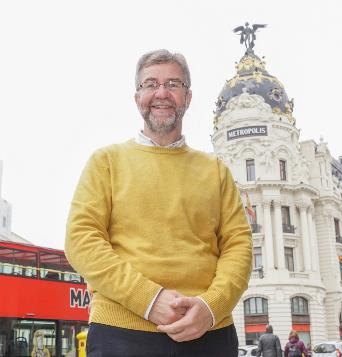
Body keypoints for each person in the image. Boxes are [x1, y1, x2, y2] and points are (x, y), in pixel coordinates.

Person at [64, 49, 253, 357]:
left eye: (173, 84)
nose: (162, 93)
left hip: (210, 332)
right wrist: (150, 300)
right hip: (121, 335)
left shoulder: (216, 170)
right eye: (151, 84)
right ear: (138, 96)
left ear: (188, 98)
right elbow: (81, 241)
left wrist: (211, 306)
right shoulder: (106, 162)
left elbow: (239, 245)